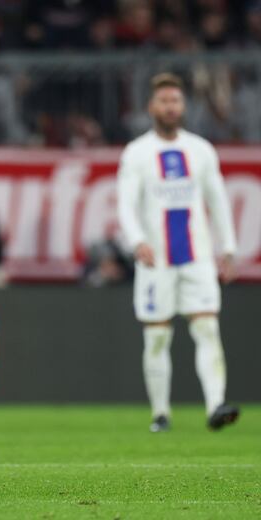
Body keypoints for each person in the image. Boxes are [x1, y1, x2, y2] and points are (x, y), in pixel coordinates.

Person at [117, 72, 239, 433]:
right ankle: (160, 413)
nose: (171, 107)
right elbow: (126, 204)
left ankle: (216, 405)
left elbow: (218, 201)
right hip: (156, 259)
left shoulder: (200, 150)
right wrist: (136, 239)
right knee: (157, 336)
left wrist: (228, 248)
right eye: (164, 101)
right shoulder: (137, 152)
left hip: (197, 257)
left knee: (206, 328)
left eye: (176, 101)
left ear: (184, 106)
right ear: (151, 107)